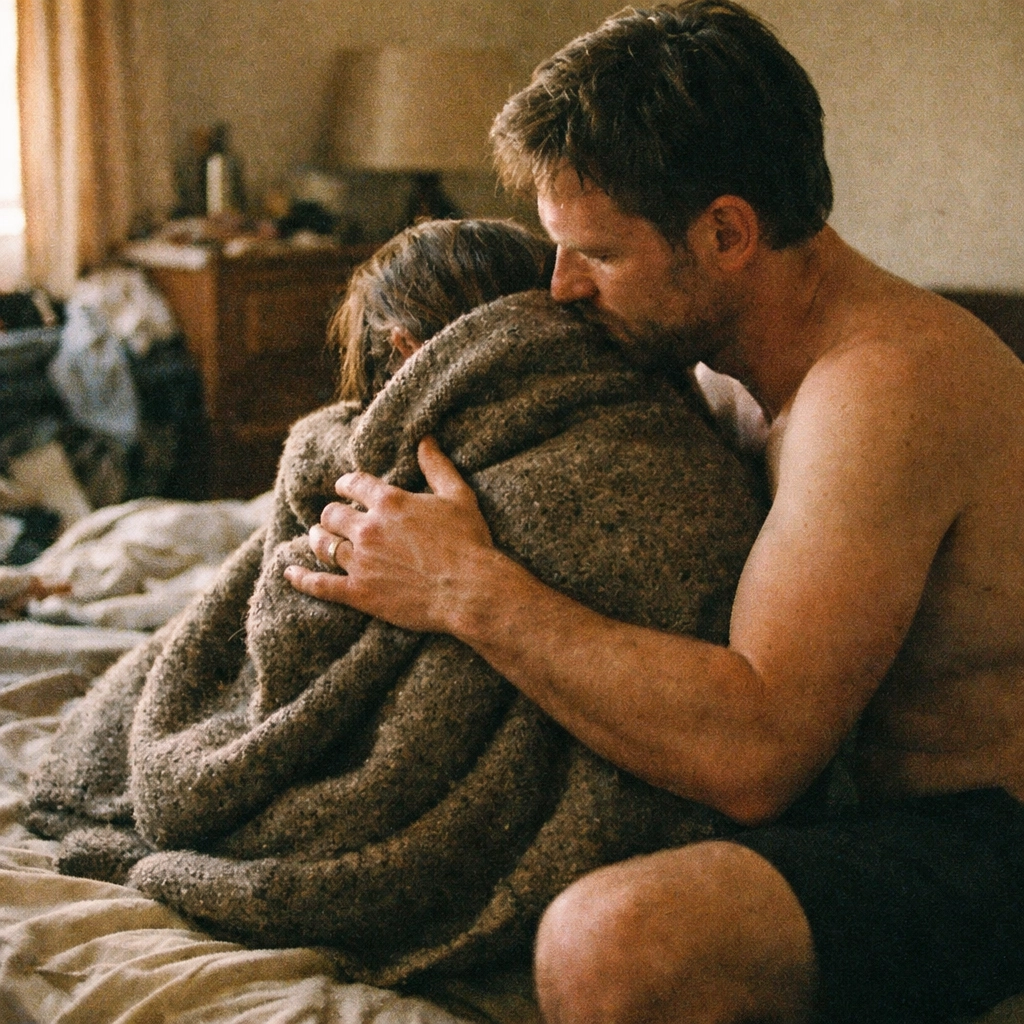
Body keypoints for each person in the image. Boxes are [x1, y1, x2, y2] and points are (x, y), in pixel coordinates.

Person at [285, 4, 1024, 1023]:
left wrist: (465, 587)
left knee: (612, 938)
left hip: (976, 835)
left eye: (596, 253)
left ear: (725, 232)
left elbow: (757, 753)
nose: (560, 288)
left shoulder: (883, 388)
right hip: (829, 806)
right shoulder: (715, 372)